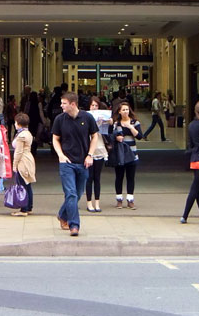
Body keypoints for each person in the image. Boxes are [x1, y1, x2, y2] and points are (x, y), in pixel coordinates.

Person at [51, 91, 99, 237]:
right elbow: (55, 139)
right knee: (70, 193)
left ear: (73, 104)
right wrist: (60, 155)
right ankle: (74, 225)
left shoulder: (87, 117)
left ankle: (62, 214)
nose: (61, 105)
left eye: (64, 103)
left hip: (83, 162)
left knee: (77, 194)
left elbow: (94, 136)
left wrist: (90, 155)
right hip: (67, 163)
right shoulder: (60, 119)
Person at [109, 101, 143, 210]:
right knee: (119, 177)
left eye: (127, 109)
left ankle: (130, 200)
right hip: (120, 153)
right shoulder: (116, 123)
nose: (125, 111)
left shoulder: (135, 122)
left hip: (132, 153)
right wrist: (116, 138)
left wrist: (130, 127)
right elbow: (110, 135)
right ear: (119, 111)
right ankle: (119, 199)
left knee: (130, 177)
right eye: (123, 110)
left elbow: (139, 136)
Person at [86, 97, 111, 213]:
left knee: (97, 177)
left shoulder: (102, 118)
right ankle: (89, 203)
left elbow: (109, 131)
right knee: (89, 178)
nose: (94, 108)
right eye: (92, 106)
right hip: (89, 149)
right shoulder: (85, 118)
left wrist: (108, 122)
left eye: (96, 106)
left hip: (100, 148)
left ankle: (97, 202)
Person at [11, 113, 36, 216]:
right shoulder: (28, 133)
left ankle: (23, 209)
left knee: (22, 184)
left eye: (16, 123)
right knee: (27, 184)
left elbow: (18, 152)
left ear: (19, 124)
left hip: (23, 160)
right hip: (28, 158)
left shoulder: (21, 136)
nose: (15, 124)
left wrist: (14, 164)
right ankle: (29, 207)